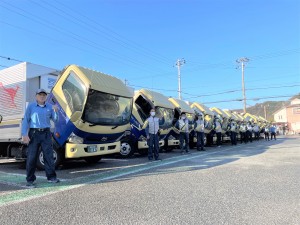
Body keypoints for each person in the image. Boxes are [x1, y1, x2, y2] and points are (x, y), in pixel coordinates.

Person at [21, 89, 60, 188]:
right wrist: (24, 134)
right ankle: (30, 180)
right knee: (32, 157)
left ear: (46, 97)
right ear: (36, 96)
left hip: (46, 133)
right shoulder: (31, 106)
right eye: (40, 94)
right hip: (34, 133)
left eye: (44, 95)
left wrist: (56, 111)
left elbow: (56, 120)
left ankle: (51, 177)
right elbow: (26, 120)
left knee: (49, 156)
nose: (42, 96)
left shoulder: (50, 107)